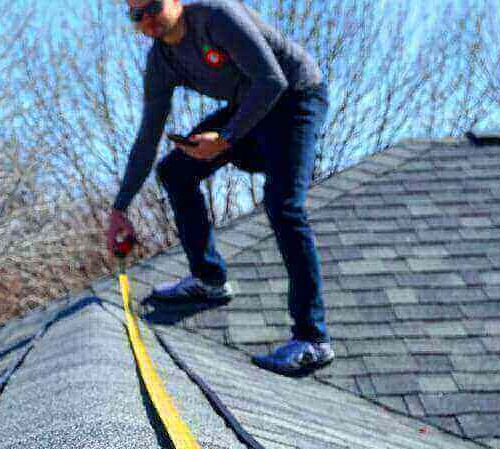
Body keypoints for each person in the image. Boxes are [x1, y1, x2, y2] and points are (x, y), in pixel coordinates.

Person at [106, 0, 334, 376]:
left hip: (296, 97)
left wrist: (227, 137)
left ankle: (312, 339)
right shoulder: (161, 61)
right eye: (136, 15)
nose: (147, 20)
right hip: (250, 107)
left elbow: (272, 80)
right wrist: (120, 209)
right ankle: (209, 280)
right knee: (175, 171)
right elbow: (148, 137)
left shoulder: (217, 18)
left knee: (283, 205)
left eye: (153, 7)